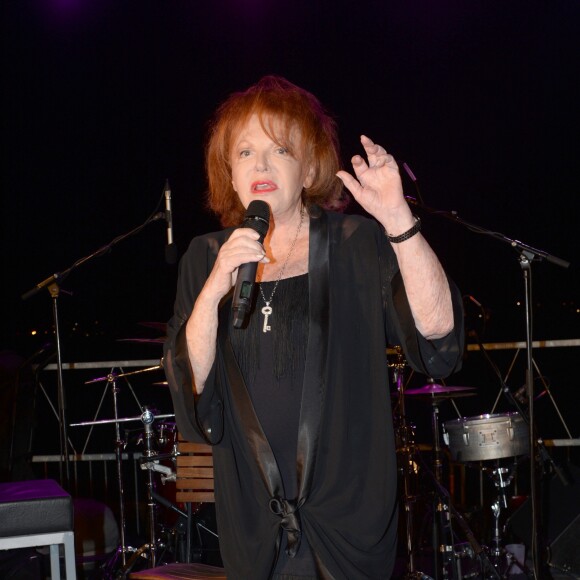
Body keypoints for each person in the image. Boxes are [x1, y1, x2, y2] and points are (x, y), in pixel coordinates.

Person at [164, 75, 464, 579]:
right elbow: (193, 394)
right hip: (254, 528)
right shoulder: (205, 259)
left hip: (347, 524)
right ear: (231, 176)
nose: (259, 164)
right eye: (244, 152)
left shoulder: (358, 244)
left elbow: (437, 337)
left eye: (279, 148)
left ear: (307, 169)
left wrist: (399, 221)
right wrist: (214, 288)